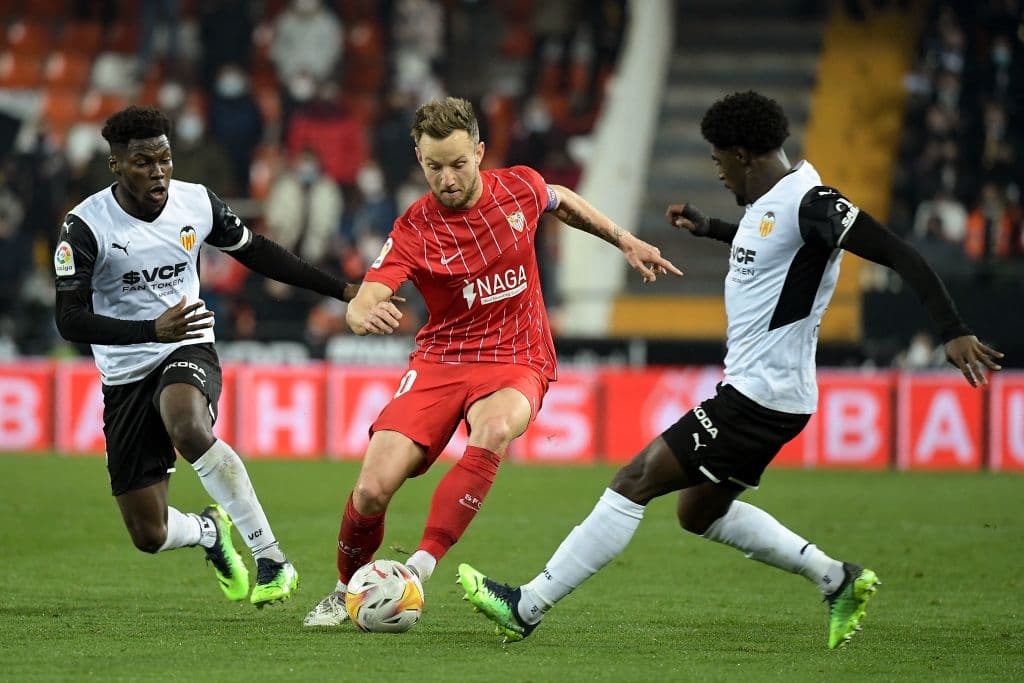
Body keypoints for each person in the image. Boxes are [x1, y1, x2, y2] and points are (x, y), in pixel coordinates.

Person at [457, 91, 1004, 649]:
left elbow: (900, 254)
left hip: (759, 397)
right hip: (771, 395)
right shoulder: (772, 201)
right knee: (698, 512)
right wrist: (712, 226)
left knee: (634, 480)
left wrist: (952, 329)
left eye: (719, 160)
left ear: (743, 155)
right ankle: (837, 579)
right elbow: (770, 243)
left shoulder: (812, 203)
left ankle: (526, 604)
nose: (717, 171)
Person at [302, 96, 681, 627]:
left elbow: (562, 200)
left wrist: (623, 239)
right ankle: (347, 590)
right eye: (435, 167)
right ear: (419, 159)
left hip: (517, 355)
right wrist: (361, 314)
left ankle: (415, 571)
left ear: (479, 152)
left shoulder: (519, 188)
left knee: (496, 425)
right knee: (370, 489)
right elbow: (368, 293)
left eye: (459, 164)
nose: (449, 179)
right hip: (441, 359)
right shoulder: (414, 229)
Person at [53, 106, 361, 608]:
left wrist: (343, 289)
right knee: (148, 534)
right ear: (116, 165)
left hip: (186, 344)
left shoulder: (195, 203)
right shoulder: (85, 226)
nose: (157, 172)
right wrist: (149, 328)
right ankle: (207, 532)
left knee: (188, 425)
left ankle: (272, 559)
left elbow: (258, 251)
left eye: (164, 159)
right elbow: (69, 320)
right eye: (142, 162)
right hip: (125, 373)